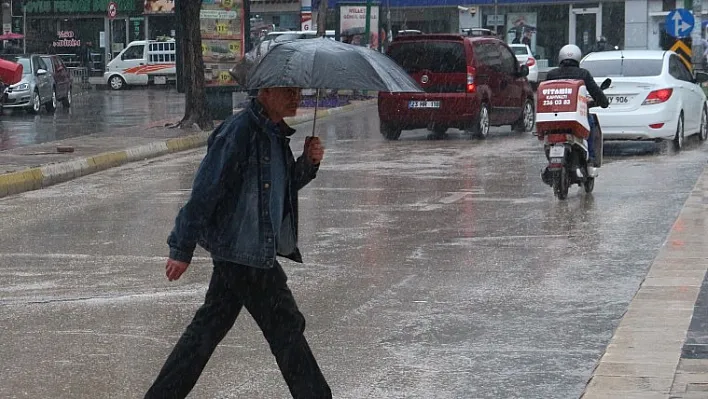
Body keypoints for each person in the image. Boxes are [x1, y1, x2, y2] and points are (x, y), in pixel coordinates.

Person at [144, 87, 332, 399]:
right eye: (289, 91)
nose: (297, 97)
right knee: (286, 328)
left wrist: (308, 165)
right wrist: (182, 246)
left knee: (205, 332)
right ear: (267, 92)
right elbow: (206, 190)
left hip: (249, 251)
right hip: (245, 254)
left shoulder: (274, 134)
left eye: (299, 91)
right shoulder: (240, 132)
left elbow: (279, 191)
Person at [544, 44, 609, 176]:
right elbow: (596, 93)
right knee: (590, 125)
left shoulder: (551, 74)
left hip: (554, 118)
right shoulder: (583, 74)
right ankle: (590, 160)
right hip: (577, 118)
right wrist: (603, 102)